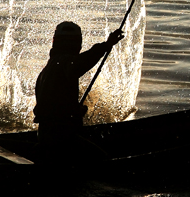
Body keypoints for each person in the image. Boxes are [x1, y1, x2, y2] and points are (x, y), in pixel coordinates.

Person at [33, 21, 124, 163]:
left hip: (46, 136)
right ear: (76, 43)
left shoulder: (48, 69)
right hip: (60, 140)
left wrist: (75, 110)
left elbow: (55, 105)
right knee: (106, 161)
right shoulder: (65, 63)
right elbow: (81, 62)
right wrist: (106, 45)